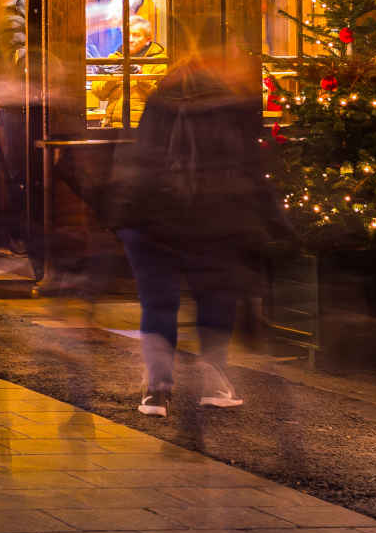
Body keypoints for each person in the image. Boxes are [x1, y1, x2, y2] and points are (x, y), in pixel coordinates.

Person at [107, 42, 290, 417]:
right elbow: (250, 170)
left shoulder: (156, 104)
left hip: (152, 222)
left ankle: (157, 392)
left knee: (158, 304)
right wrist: (274, 222)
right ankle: (214, 383)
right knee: (215, 300)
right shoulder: (233, 108)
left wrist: (123, 217)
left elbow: (139, 163)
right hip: (215, 220)